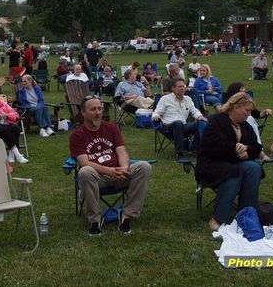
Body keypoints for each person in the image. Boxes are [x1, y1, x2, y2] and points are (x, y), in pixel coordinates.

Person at [69, 96, 152, 235]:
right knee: (85, 171)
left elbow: (121, 151)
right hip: (97, 178)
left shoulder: (111, 128)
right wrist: (109, 171)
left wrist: (124, 168)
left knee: (144, 166)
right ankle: (95, 220)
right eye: (93, 109)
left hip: (120, 174)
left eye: (99, 109)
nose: (97, 112)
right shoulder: (77, 135)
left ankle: (127, 216)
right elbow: (84, 162)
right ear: (83, 113)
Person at [196, 92, 265, 231]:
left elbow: (257, 147)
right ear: (235, 107)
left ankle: (247, 214)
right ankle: (218, 218)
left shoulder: (245, 125)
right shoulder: (216, 121)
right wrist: (234, 148)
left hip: (233, 163)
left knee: (254, 168)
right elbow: (212, 145)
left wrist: (246, 149)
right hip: (212, 164)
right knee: (233, 172)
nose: (249, 114)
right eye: (247, 110)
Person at [152, 78, 208, 156]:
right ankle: (180, 153)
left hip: (183, 126)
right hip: (169, 127)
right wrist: (156, 116)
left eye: (183, 86)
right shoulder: (165, 99)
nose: (182, 88)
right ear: (173, 88)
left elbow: (194, 110)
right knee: (178, 123)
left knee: (201, 123)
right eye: (179, 87)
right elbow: (157, 111)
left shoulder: (188, 99)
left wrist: (200, 116)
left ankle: (194, 150)